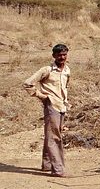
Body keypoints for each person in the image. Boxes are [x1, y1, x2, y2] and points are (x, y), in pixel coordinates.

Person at [23, 44, 71, 178]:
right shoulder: (47, 70)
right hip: (52, 106)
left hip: (61, 106)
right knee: (54, 138)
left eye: (64, 54)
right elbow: (28, 84)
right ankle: (58, 170)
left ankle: (47, 164)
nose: (62, 57)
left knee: (53, 135)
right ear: (54, 56)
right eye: (59, 55)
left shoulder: (67, 70)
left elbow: (65, 87)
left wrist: (65, 102)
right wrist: (43, 96)